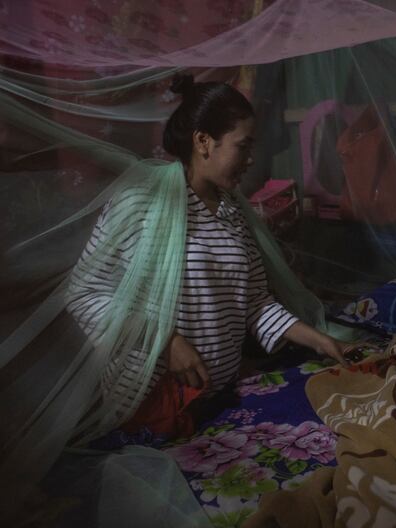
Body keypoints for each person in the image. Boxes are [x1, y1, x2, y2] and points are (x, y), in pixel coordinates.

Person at [67, 74, 353, 438]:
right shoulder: (141, 202)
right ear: (203, 141)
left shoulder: (232, 211)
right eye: (242, 147)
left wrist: (317, 339)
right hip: (151, 404)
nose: (250, 160)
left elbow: (254, 302)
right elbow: (84, 294)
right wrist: (166, 343)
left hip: (211, 401)